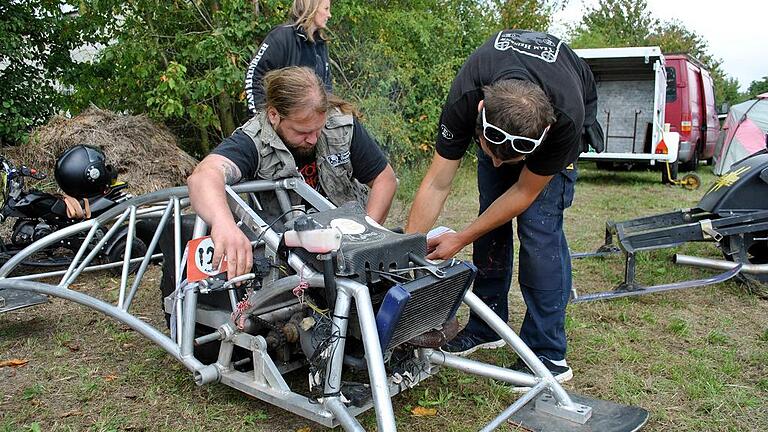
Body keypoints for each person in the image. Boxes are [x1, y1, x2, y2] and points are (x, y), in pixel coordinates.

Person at [405, 30, 599, 381]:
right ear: (481, 112)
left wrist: (460, 238)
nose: (496, 165)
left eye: (506, 159)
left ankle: (548, 354)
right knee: (489, 218)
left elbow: (524, 193)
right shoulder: (467, 94)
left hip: (565, 112)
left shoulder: (564, 121)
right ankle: (486, 327)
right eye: (489, 152)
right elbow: (437, 181)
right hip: (504, 106)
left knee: (540, 230)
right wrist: (405, 252)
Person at [190, 66, 397, 281]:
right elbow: (204, 176)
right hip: (288, 256)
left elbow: (385, 179)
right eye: (302, 132)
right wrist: (224, 225)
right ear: (273, 115)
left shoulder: (341, 126)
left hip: (346, 242)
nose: (313, 139)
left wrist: (365, 238)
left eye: (318, 128)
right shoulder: (253, 140)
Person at [244, 0, 333, 116]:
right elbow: (253, 75)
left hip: (311, 126)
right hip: (280, 123)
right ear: (312, 8)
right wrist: (261, 118)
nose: (329, 15)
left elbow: (327, 87)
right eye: (326, 9)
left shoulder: (321, 44)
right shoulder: (281, 37)